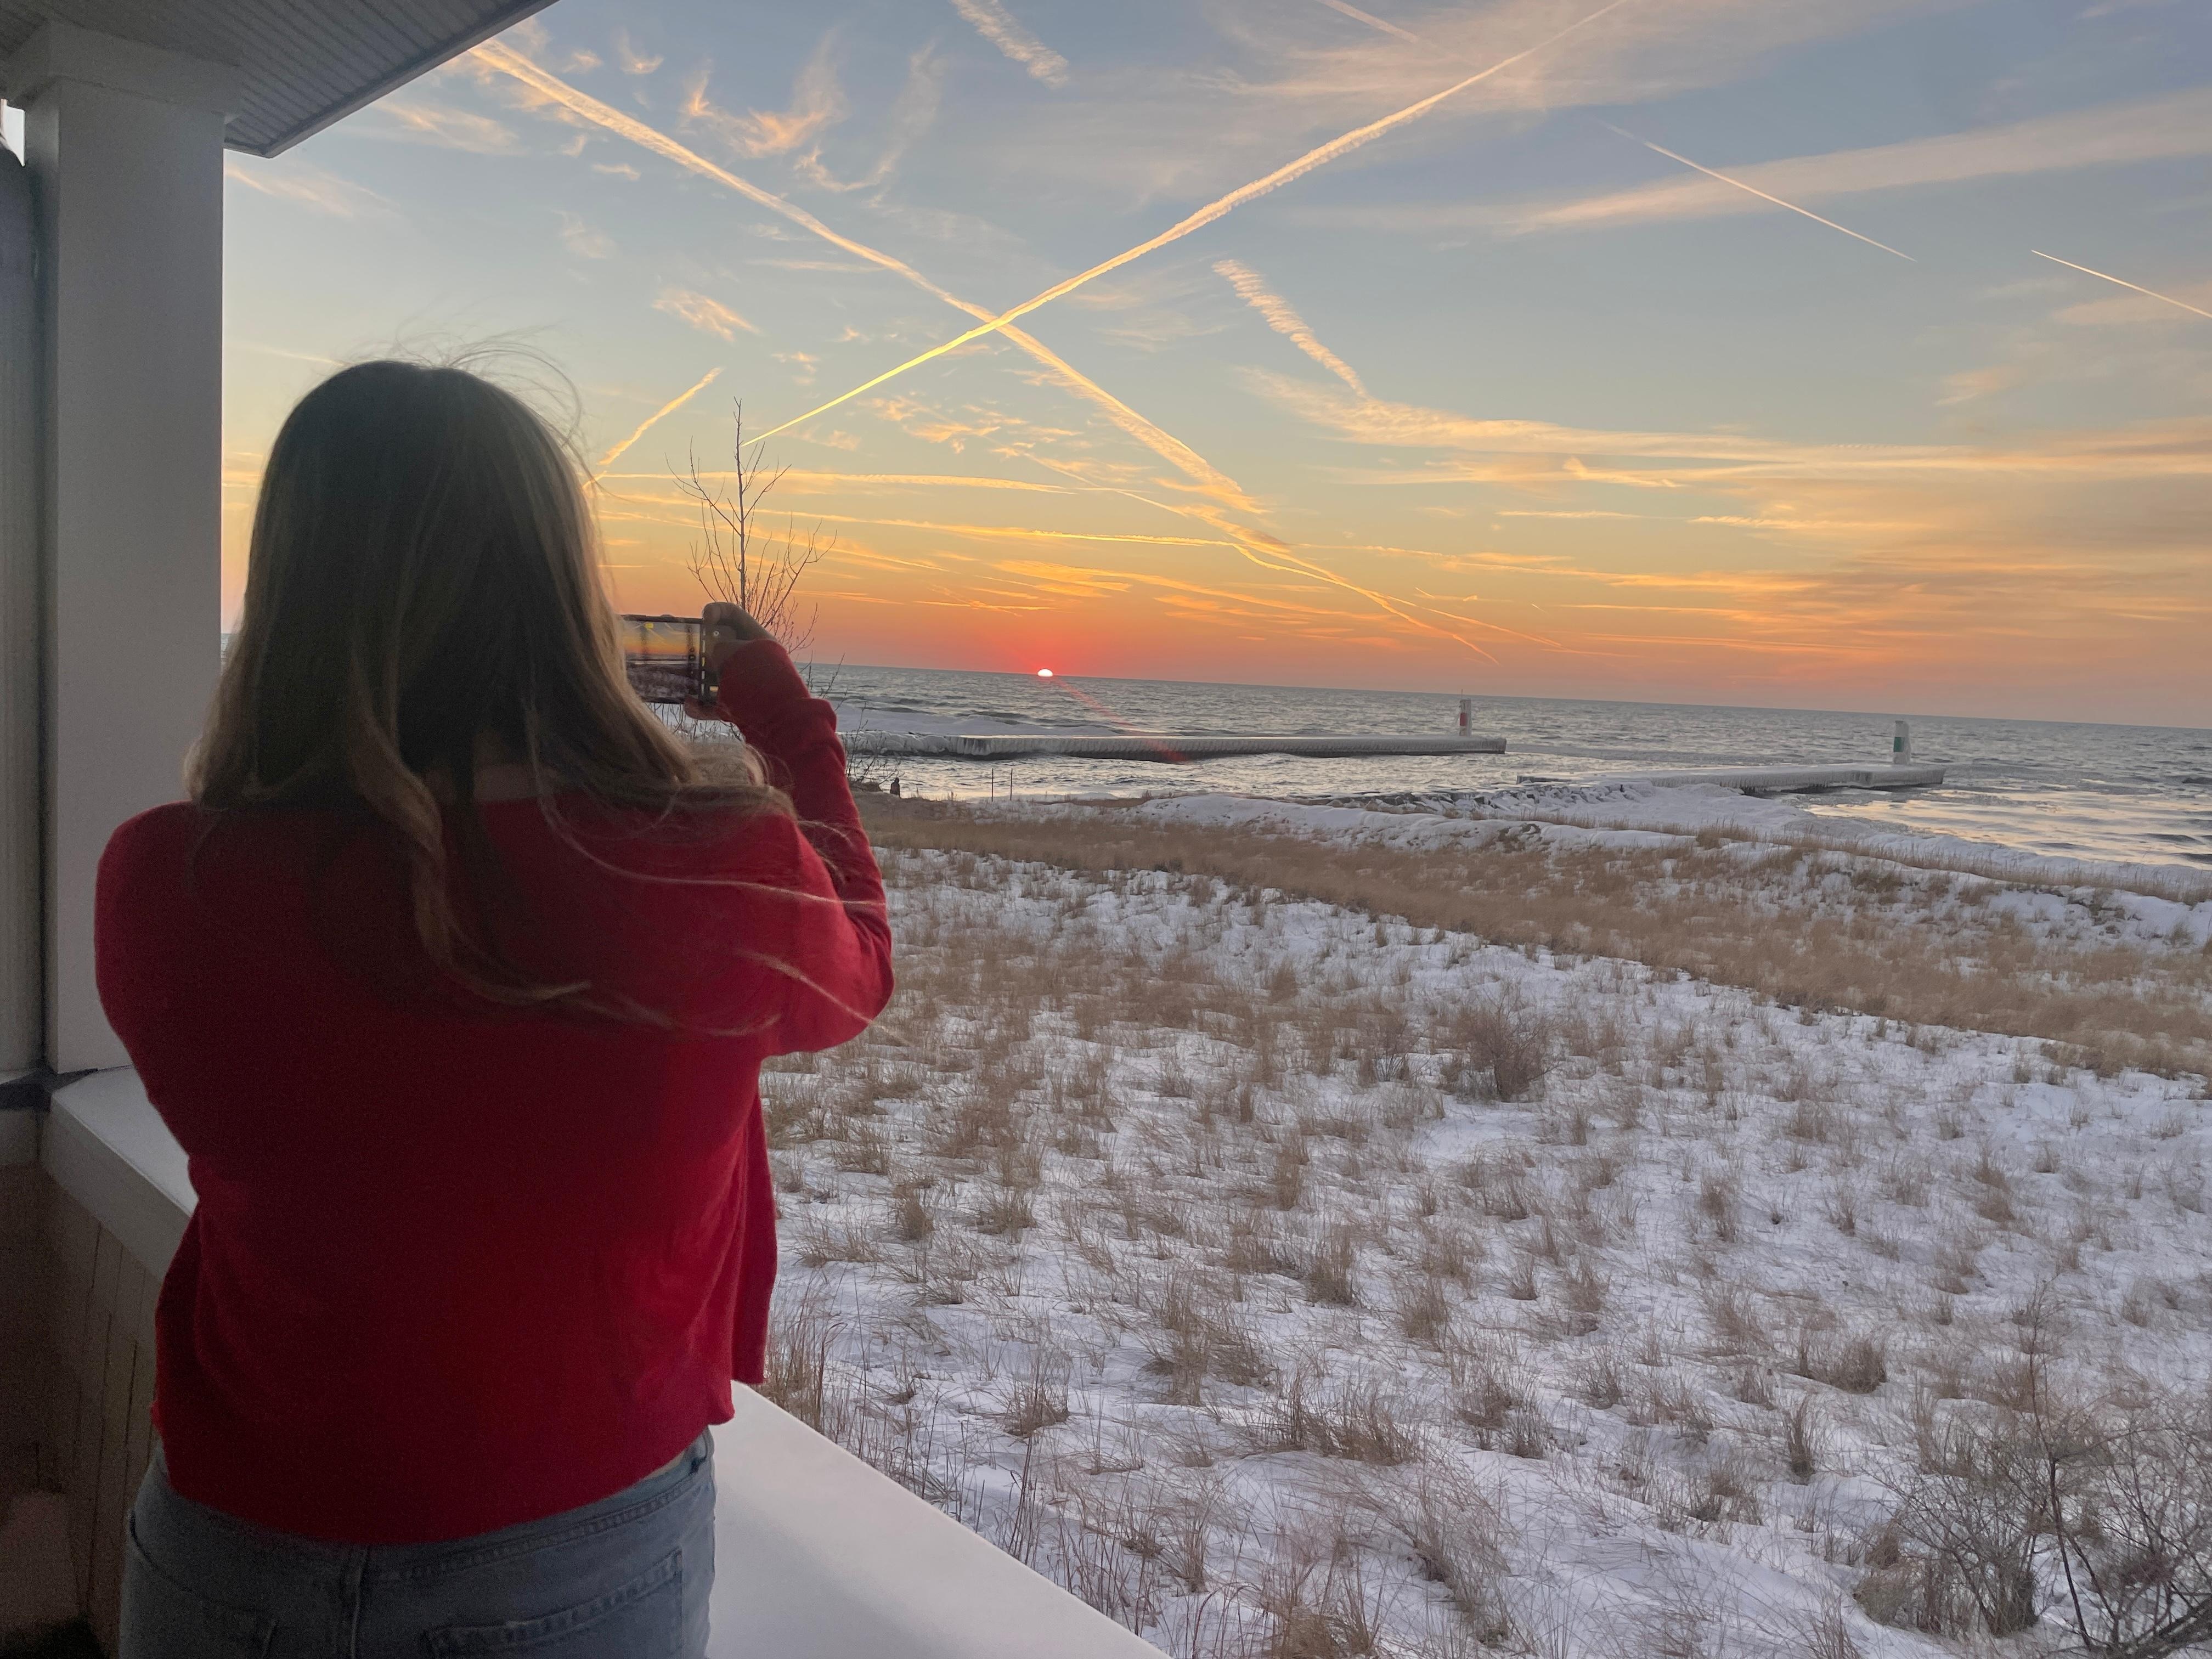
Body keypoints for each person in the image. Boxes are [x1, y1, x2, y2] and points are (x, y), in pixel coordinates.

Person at [94, 358, 893, 1657]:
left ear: (298, 590)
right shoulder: (701, 869)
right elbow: (858, 968)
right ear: (557, 598)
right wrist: (787, 732)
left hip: (234, 1546)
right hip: (575, 1554)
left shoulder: (162, 882)